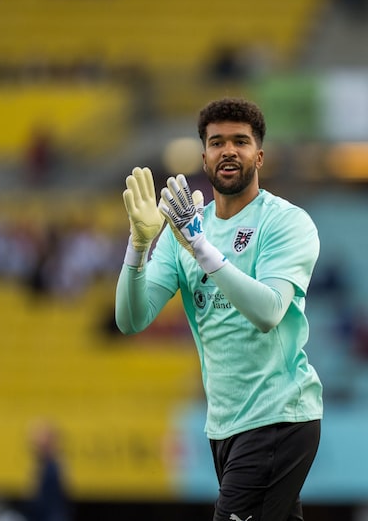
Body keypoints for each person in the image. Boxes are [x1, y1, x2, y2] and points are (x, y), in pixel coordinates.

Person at [115, 97, 323, 521]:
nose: (228, 150)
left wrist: (202, 247)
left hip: (277, 418)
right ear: (204, 157)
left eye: (240, 141)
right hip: (225, 426)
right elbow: (131, 318)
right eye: (217, 142)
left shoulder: (286, 222)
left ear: (259, 156)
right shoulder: (182, 232)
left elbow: (268, 312)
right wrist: (139, 246)